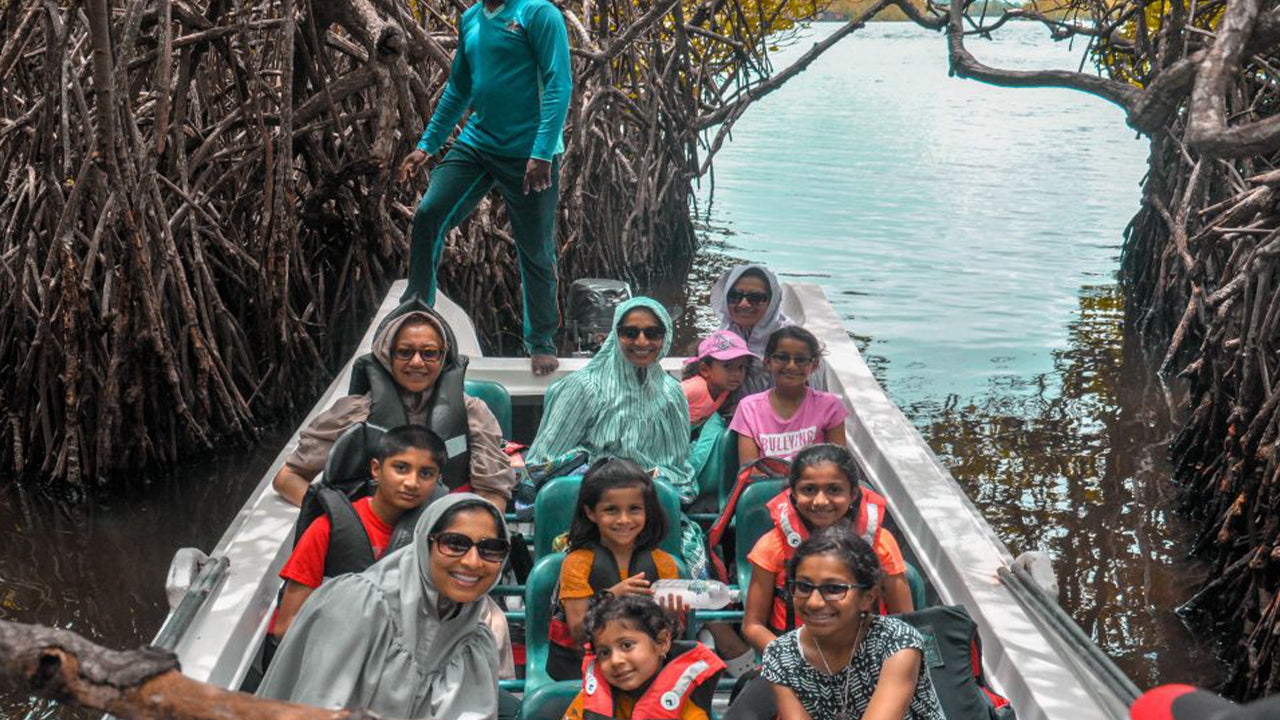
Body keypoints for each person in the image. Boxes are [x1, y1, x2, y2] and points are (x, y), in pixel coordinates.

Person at [396, 0, 571, 377]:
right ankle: (416, 310)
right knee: (428, 215)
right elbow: (459, 88)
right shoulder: (471, 19)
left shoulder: (538, 14)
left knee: (535, 250)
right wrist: (427, 145)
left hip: (529, 152)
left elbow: (559, 83)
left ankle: (541, 341)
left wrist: (542, 152)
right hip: (478, 142)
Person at [257, 494, 513, 719]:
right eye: (455, 543)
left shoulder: (476, 644)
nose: (472, 562)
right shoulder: (359, 605)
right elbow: (316, 706)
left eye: (491, 549)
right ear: (426, 544)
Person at [272, 301, 515, 511]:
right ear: (388, 356)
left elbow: (493, 493)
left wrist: (462, 533)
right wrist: (337, 515)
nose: (417, 362)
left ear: (443, 357)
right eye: (405, 352)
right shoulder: (353, 412)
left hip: (447, 532)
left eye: (429, 353)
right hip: (373, 530)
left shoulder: (473, 413)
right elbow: (287, 477)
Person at [526, 298, 709, 574]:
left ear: (665, 337)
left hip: (648, 507)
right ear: (616, 333)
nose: (642, 341)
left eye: (653, 333)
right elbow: (542, 462)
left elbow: (680, 472)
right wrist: (606, 475)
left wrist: (649, 479)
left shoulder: (672, 394)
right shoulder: (584, 388)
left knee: (681, 565)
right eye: (630, 332)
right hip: (589, 510)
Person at [272, 425, 445, 640]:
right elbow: (285, 626)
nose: (412, 483)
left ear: (437, 479)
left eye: (426, 474)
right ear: (376, 469)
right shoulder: (327, 530)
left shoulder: (438, 534)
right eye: (401, 468)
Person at [742, 444, 913, 656]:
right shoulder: (772, 547)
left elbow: (906, 622)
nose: (820, 501)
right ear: (792, 494)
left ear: (853, 494)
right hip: (795, 661)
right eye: (809, 490)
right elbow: (753, 625)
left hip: (869, 661)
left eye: (834, 490)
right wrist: (791, 661)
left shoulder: (881, 545)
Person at [757, 530, 943, 720]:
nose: (814, 602)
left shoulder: (897, 642)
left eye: (834, 589)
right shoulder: (780, 654)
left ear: (867, 598)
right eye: (804, 587)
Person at [547, 458, 682, 680]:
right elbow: (578, 632)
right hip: (584, 670)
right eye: (611, 510)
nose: (624, 519)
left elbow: (668, 637)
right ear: (591, 513)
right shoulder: (577, 563)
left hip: (644, 673)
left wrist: (672, 615)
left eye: (634, 509)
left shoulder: (663, 563)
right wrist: (613, 596)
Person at [562, 594, 725, 720]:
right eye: (604, 652)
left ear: (662, 642)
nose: (616, 660)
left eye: (627, 645)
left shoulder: (687, 710)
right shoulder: (587, 702)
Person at [730, 326, 847, 465]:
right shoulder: (749, 408)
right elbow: (750, 470)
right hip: (767, 485)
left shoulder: (830, 406)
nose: (791, 366)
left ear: (814, 365)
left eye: (801, 360)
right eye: (782, 358)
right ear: (767, 361)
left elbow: (839, 464)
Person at [709, 265, 793, 398]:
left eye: (755, 298)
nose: (743, 304)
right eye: (735, 296)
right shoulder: (724, 334)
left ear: (772, 301)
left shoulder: (792, 342)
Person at [681, 330, 755, 427]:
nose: (737, 374)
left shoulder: (724, 390)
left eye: (741, 367)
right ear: (705, 370)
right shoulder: (695, 388)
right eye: (728, 366)